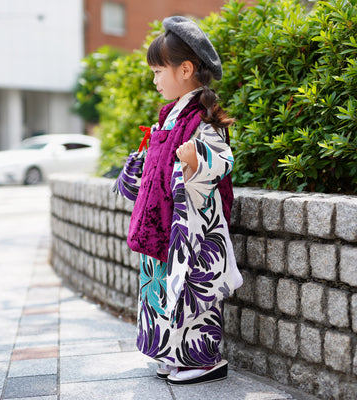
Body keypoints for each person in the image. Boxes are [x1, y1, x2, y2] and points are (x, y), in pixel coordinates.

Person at [113, 16, 243, 386]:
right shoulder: (169, 117)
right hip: (163, 227)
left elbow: (222, 162)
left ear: (185, 69)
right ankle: (170, 353)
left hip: (191, 230)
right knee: (161, 290)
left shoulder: (202, 119)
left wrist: (194, 160)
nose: (154, 80)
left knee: (190, 295)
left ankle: (203, 360)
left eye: (158, 71)